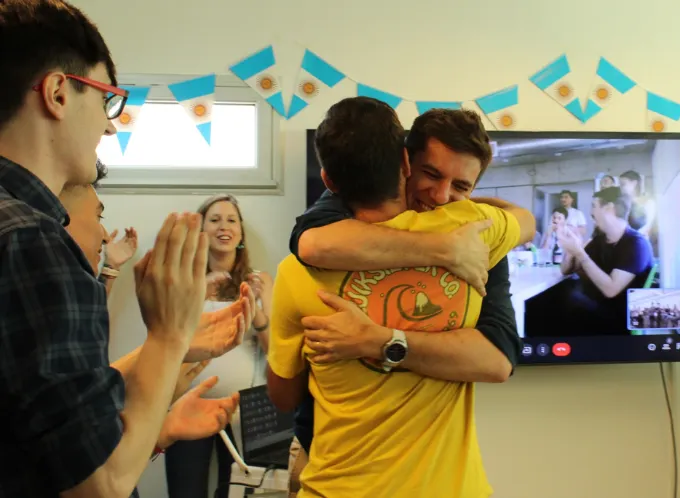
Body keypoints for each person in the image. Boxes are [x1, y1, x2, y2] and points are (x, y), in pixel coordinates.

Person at [0, 2, 238, 496]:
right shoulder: (31, 239)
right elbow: (100, 484)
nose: (110, 128)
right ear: (58, 93)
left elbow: (39, 402)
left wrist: (171, 347)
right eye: (107, 100)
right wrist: (168, 336)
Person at [266, 97, 532, 497]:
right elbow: (524, 221)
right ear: (405, 162)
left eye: (461, 186)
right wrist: (447, 248)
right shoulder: (476, 235)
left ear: (328, 179)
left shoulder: (475, 238)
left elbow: (498, 361)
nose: (441, 196)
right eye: (431, 174)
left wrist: (378, 341)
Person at [57, 162, 251, 465]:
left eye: (231, 220)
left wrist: (162, 432)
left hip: (229, 411)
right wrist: (167, 340)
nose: (105, 235)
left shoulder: (255, 283)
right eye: (99, 216)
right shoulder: (44, 294)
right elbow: (97, 475)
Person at [165, 193, 274, 498]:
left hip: (247, 411)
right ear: (202, 232)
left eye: (231, 220)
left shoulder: (260, 281)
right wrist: (200, 292)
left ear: (240, 233)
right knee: (185, 492)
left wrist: (256, 311)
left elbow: (276, 351)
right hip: (188, 405)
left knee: (239, 493)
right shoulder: (183, 281)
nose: (223, 226)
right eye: (214, 220)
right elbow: (168, 339)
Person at [554, 187, 653, 335]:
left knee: (565, 297)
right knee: (560, 290)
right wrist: (571, 249)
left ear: (609, 208)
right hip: (598, 305)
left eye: (594, 206)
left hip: (619, 317)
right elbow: (566, 270)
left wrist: (580, 253)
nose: (591, 212)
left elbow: (611, 290)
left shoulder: (636, 243)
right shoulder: (600, 240)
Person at [618, 170, 656, 237]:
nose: (621, 188)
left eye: (623, 184)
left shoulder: (648, 203)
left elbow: (648, 226)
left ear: (634, 183)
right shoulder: (623, 204)